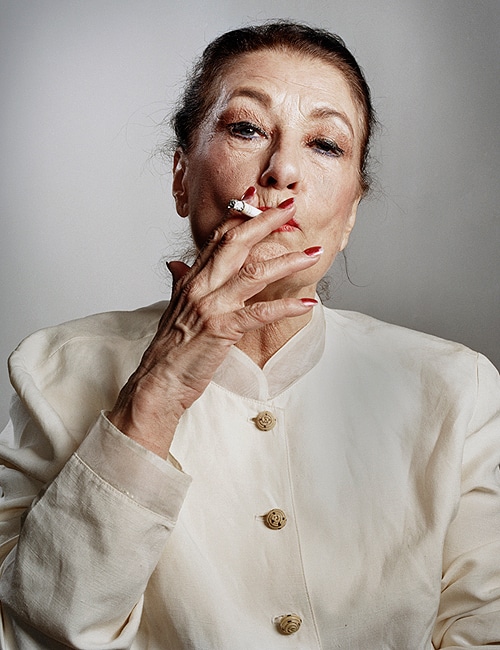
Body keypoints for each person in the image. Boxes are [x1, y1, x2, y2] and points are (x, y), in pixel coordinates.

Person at [0, 20, 499, 650]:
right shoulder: (53, 371)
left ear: (350, 213)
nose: (282, 170)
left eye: (325, 144)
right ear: (181, 178)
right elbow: (31, 635)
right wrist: (157, 392)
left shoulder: (459, 389)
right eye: (246, 129)